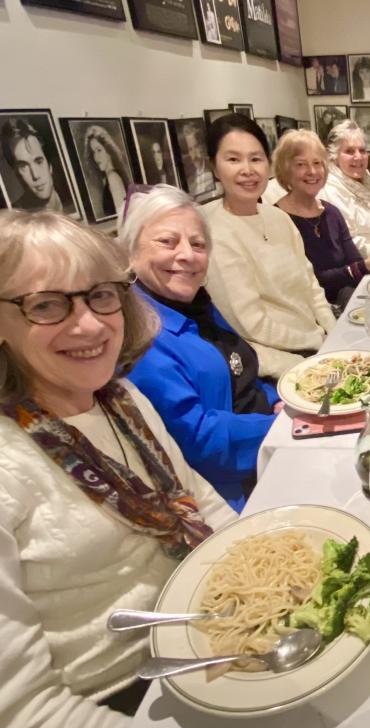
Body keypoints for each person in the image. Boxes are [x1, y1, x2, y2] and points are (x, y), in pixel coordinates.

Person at [0, 209, 236, 728]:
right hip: (123, 710)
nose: (90, 326)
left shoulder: (118, 396)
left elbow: (193, 494)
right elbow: (20, 724)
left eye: (101, 296)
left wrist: (263, 562)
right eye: (47, 304)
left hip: (205, 637)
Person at [120, 185, 279, 512]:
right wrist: (285, 427)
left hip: (267, 439)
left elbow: (242, 371)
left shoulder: (193, 303)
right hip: (236, 488)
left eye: (198, 244)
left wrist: (282, 402)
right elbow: (202, 442)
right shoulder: (143, 336)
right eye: (167, 241)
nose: (187, 255)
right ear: (131, 252)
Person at [201, 114, 335, 379]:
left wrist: (334, 332)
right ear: (215, 168)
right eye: (233, 159)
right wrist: (317, 342)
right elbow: (252, 325)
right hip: (280, 364)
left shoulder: (277, 217)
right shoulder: (212, 231)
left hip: (318, 343)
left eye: (256, 158)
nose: (247, 169)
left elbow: (310, 285)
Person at [273, 131, 370, 307]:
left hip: (348, 300)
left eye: (317, 163)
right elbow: (309, 283)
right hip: (310, 312)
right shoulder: (277, 219)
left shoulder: (331, 212)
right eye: (301, 164)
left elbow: (354, 261)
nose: (312, 171)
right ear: (285, 170)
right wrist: (367, 265)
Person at [319, 119, 370, 258]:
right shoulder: (329, 191)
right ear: (334, 157)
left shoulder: (367, 178)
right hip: (364, 263)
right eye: (349, 151)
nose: (359, 157)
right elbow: (347, 243)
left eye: (362, 150)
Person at [0, 118, 64, 211]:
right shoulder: (15, 217)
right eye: (24, 166)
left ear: (50, 165)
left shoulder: (76, 200)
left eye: (39, 162)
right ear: (16, 174)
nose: (35, 175)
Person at [83, 124, 130, 217]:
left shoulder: (113, 178)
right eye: (93, 152)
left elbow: (123, 218)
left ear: (108, 150)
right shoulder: (110, 177)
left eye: (99, 150)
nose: (96, 157)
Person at [181, 121, 216, 197]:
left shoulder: (212, 167)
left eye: (196, 146)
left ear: (201, 146)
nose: (194, 152)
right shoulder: (189, 178)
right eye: (190, 149)